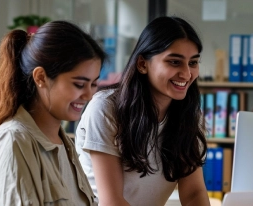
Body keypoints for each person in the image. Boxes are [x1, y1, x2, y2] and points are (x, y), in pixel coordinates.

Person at [75, 16, 211, 206]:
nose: (187, 74)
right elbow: (111, 201)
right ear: (142, 64)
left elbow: (194, 193)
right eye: (174, 62)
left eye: (193, 63)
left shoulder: (188, 115)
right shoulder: (106, 108)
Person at [0, 21, 106, 205]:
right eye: (79, 84)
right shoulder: (15, 141)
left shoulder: (65, 144)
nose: (88, 95)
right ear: (40, 77)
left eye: (93, 84)